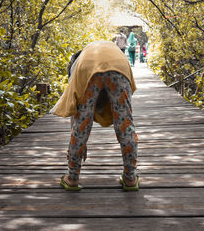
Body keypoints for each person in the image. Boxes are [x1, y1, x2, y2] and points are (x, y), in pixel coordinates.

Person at [50, 41, 139, 191]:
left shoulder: (78, 63)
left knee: (81, 125)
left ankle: (72, 178)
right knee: (125, 125)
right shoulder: (106, 48)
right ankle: (130, 178)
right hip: (120, 68)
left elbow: (75, 109)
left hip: (88, 70)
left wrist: (79, 142)